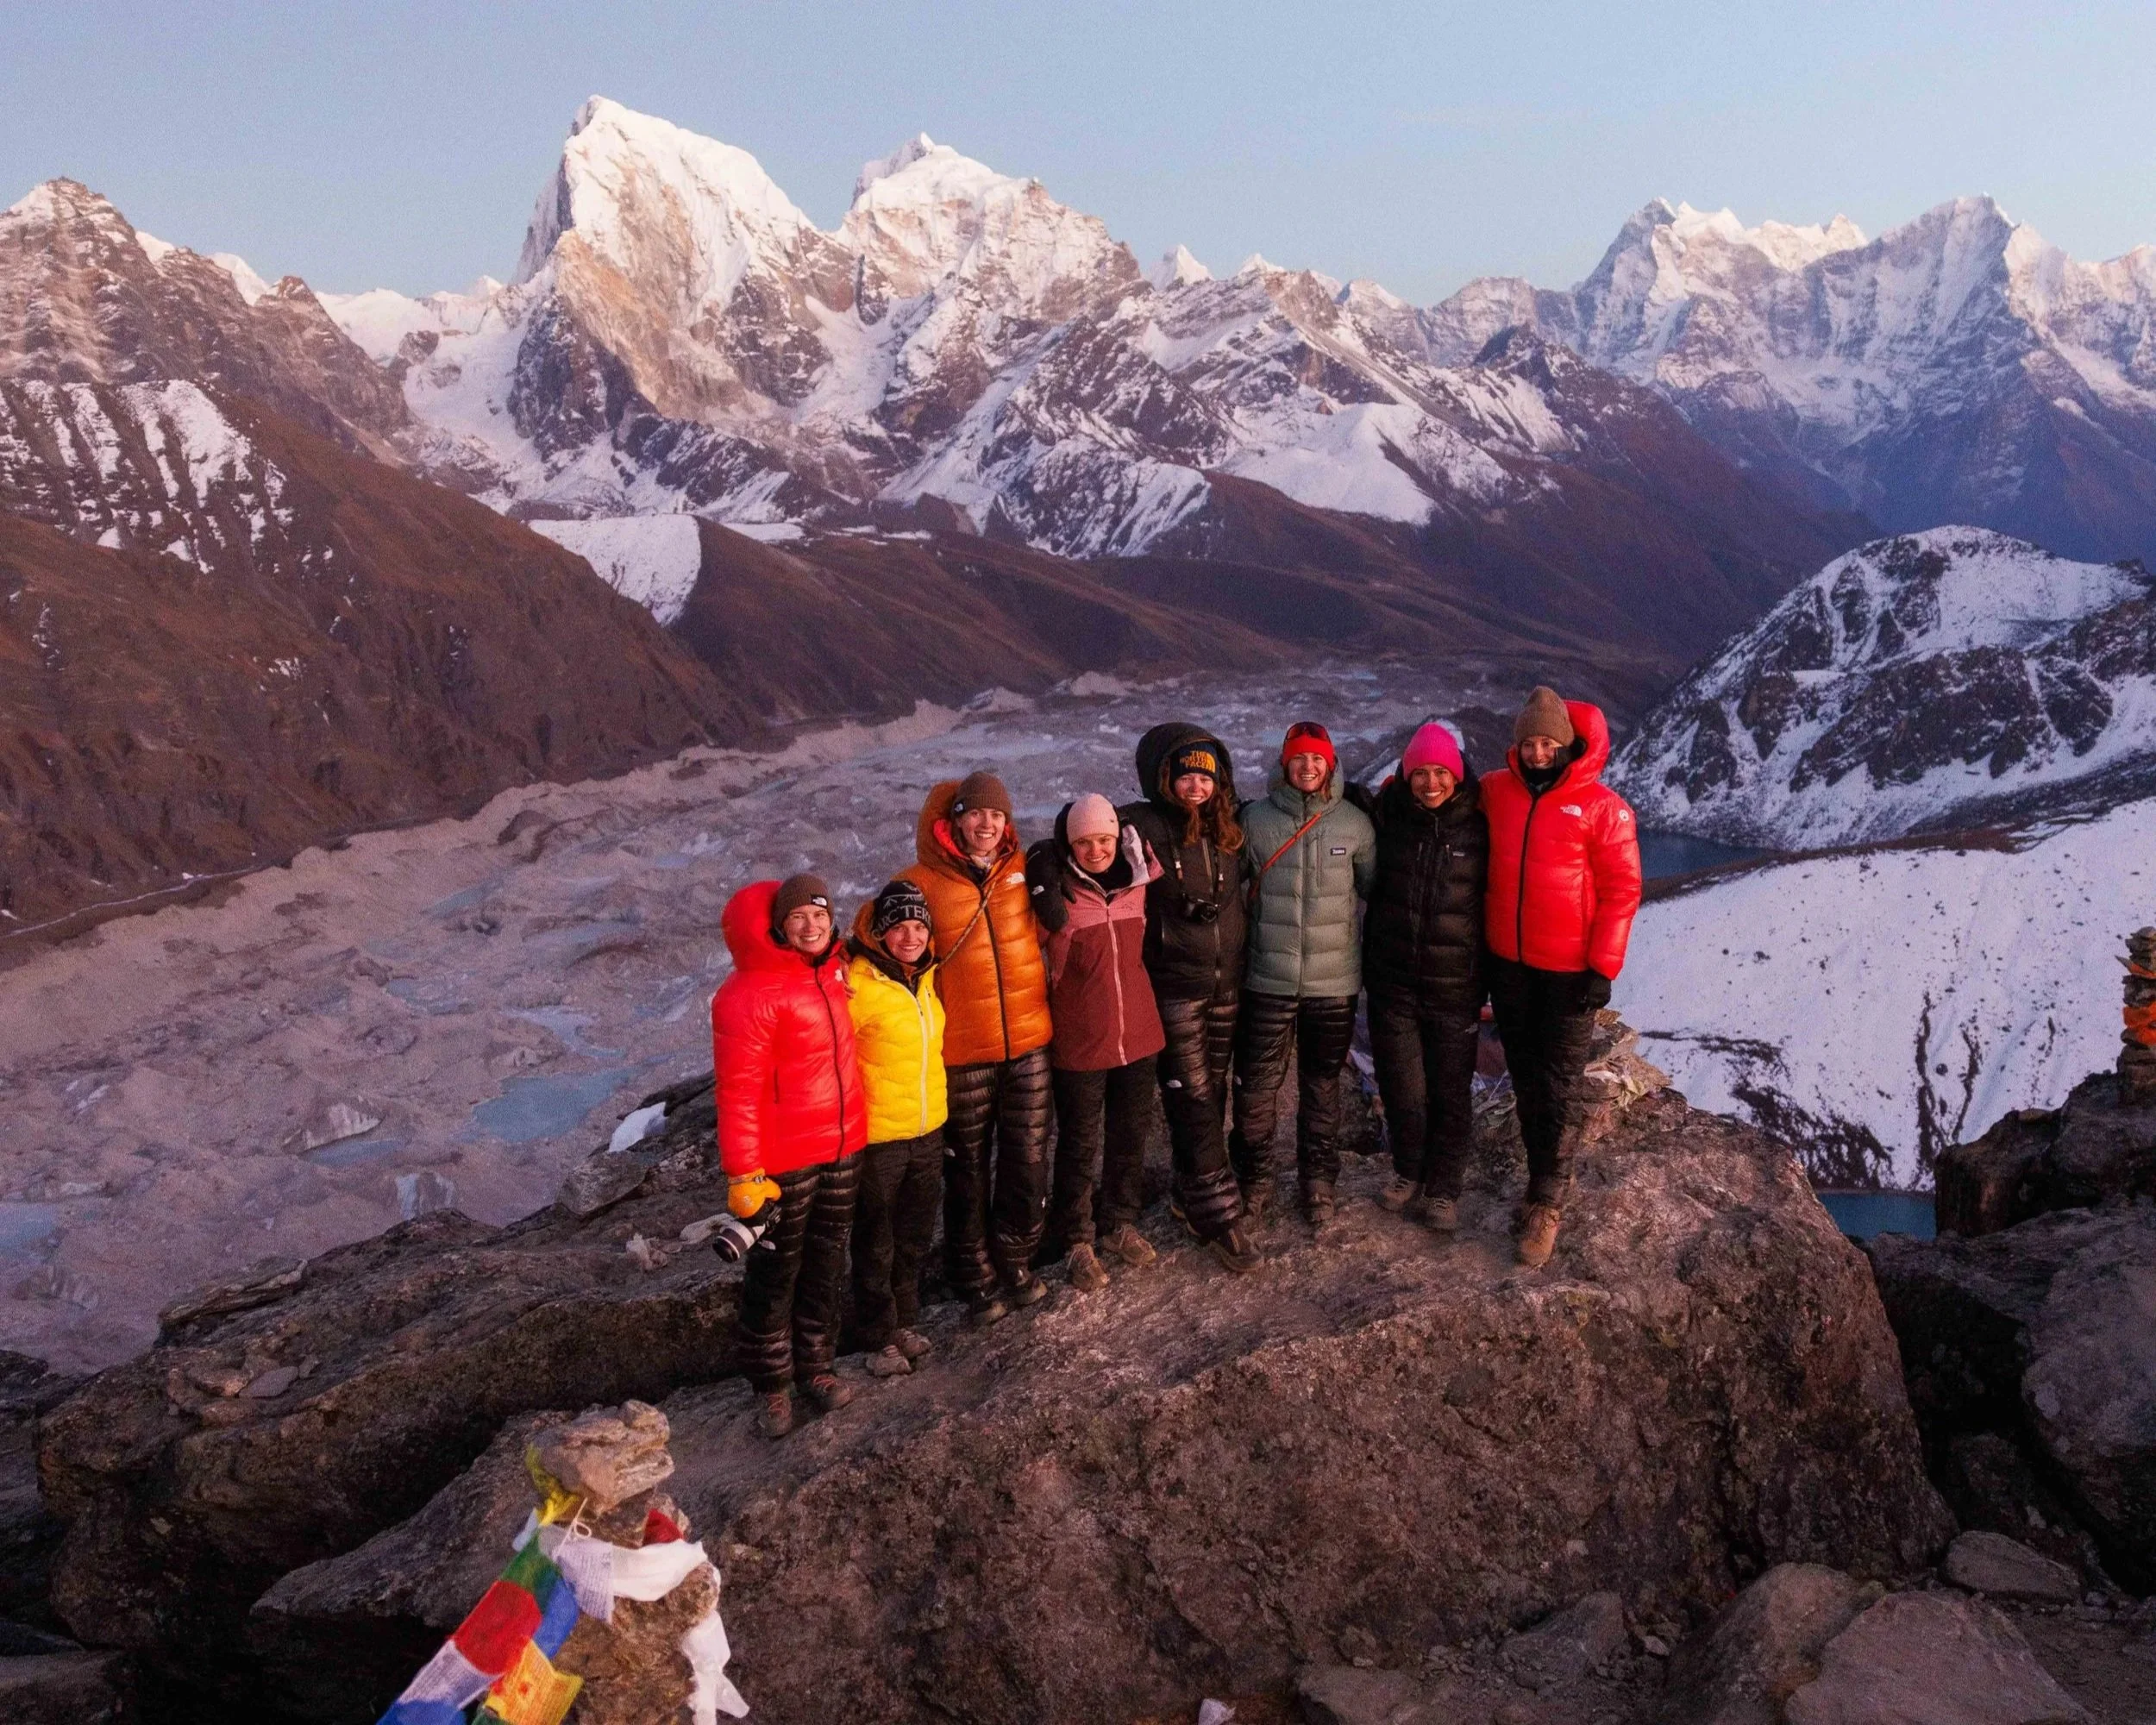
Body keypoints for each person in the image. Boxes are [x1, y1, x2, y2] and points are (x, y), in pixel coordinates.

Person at [1482, 686, 1643, 1269]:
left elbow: (1623, 890)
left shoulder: (1603, 807)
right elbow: (1439, 799)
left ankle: (1548, 1202)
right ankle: (1540, 1182)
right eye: (1529, 743)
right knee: (1527, 1081)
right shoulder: (1496, 792)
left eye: (1548, 743)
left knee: (1558, 1085)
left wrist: (1603, 967)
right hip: (1509, 965)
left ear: (1567, 745)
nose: (1538, 753)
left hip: (1569, 974)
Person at [712, 873, 868, 1440]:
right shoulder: (748, 994)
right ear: (778, 927)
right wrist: (744, 1174)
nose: (811, 926)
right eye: (798, 917)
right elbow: (737, 1094)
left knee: (825, 1265)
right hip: (783, 1161)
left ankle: (817, 1370)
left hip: (842, 1146)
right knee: (776, 1273)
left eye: (819, 915)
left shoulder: (829, 974)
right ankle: (772, 1386)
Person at [899, 771, 1055, 1326]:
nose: (987, 824)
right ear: (955, 821)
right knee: (966, 1170)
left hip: (1029, 1043)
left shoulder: (1023, 870)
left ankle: (1015, 1258)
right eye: (976, 814)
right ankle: (975, 1276)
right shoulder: (918, 882)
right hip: (962, 1052)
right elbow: (882, 943)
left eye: (997, 815)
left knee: (1027, 1161)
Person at [1118, 724, 1260, 1272]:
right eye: (1185, 776)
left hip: (1225, 984)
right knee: (1195, 1098)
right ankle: (1218, 1218)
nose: (1196, 786)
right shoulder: (1143, 825)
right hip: (1174, 986)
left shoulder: (1228, 827)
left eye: (1206, 776)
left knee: (1212, 1091)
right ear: (1164, 778)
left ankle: (1188, 1191)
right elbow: (1081, 839)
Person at [1232, 720, 1376, 1229]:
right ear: (1285, 763)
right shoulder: (1254, 821)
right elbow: (1231, 887)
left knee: (1321, 1086)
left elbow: (1372, 887)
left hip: (1333, 985)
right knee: (1256, 1088)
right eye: (1299, 758)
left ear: (1330, 765)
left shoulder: (1355, 824)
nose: (1308, 766)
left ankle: (1318, 1181)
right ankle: (1254, 1181)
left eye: (1317, 758)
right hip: (1267, 979)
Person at [1025, 795, 1168, 1291]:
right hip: (1081, 1036)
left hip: (1140, 1031)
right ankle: (1076, 1239)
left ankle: (1119, 1223)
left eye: (1104, 839)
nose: (1096, 850)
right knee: (1079, 1143)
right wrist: (1040, 858)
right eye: (1083, 842)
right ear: (1069, 846)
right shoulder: (1057, 893)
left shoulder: (1140, 880)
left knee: (1129, 1135)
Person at [1360, 722, 1489, 1235]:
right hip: (1393, 983)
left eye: (1440, 772)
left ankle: (1443, 1188)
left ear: (1456, 776)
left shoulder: (1479, 829)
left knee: (1450, 1091)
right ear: (1406, 775)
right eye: (1420, 773)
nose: (1430, 783)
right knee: (1401, 1088)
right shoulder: (1390, 818)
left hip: (1455, 987)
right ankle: (1408, 1171)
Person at [845, 879, 947, 1380]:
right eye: (899, 927)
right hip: (880, 1138)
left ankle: (905, 1322)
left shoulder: (924, 977)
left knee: (913, 1235)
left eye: (918, 926)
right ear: (880, 932)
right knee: (876, 1240)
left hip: (927, 1130)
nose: (910, 937)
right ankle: (878, 1338)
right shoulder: (858, 986)